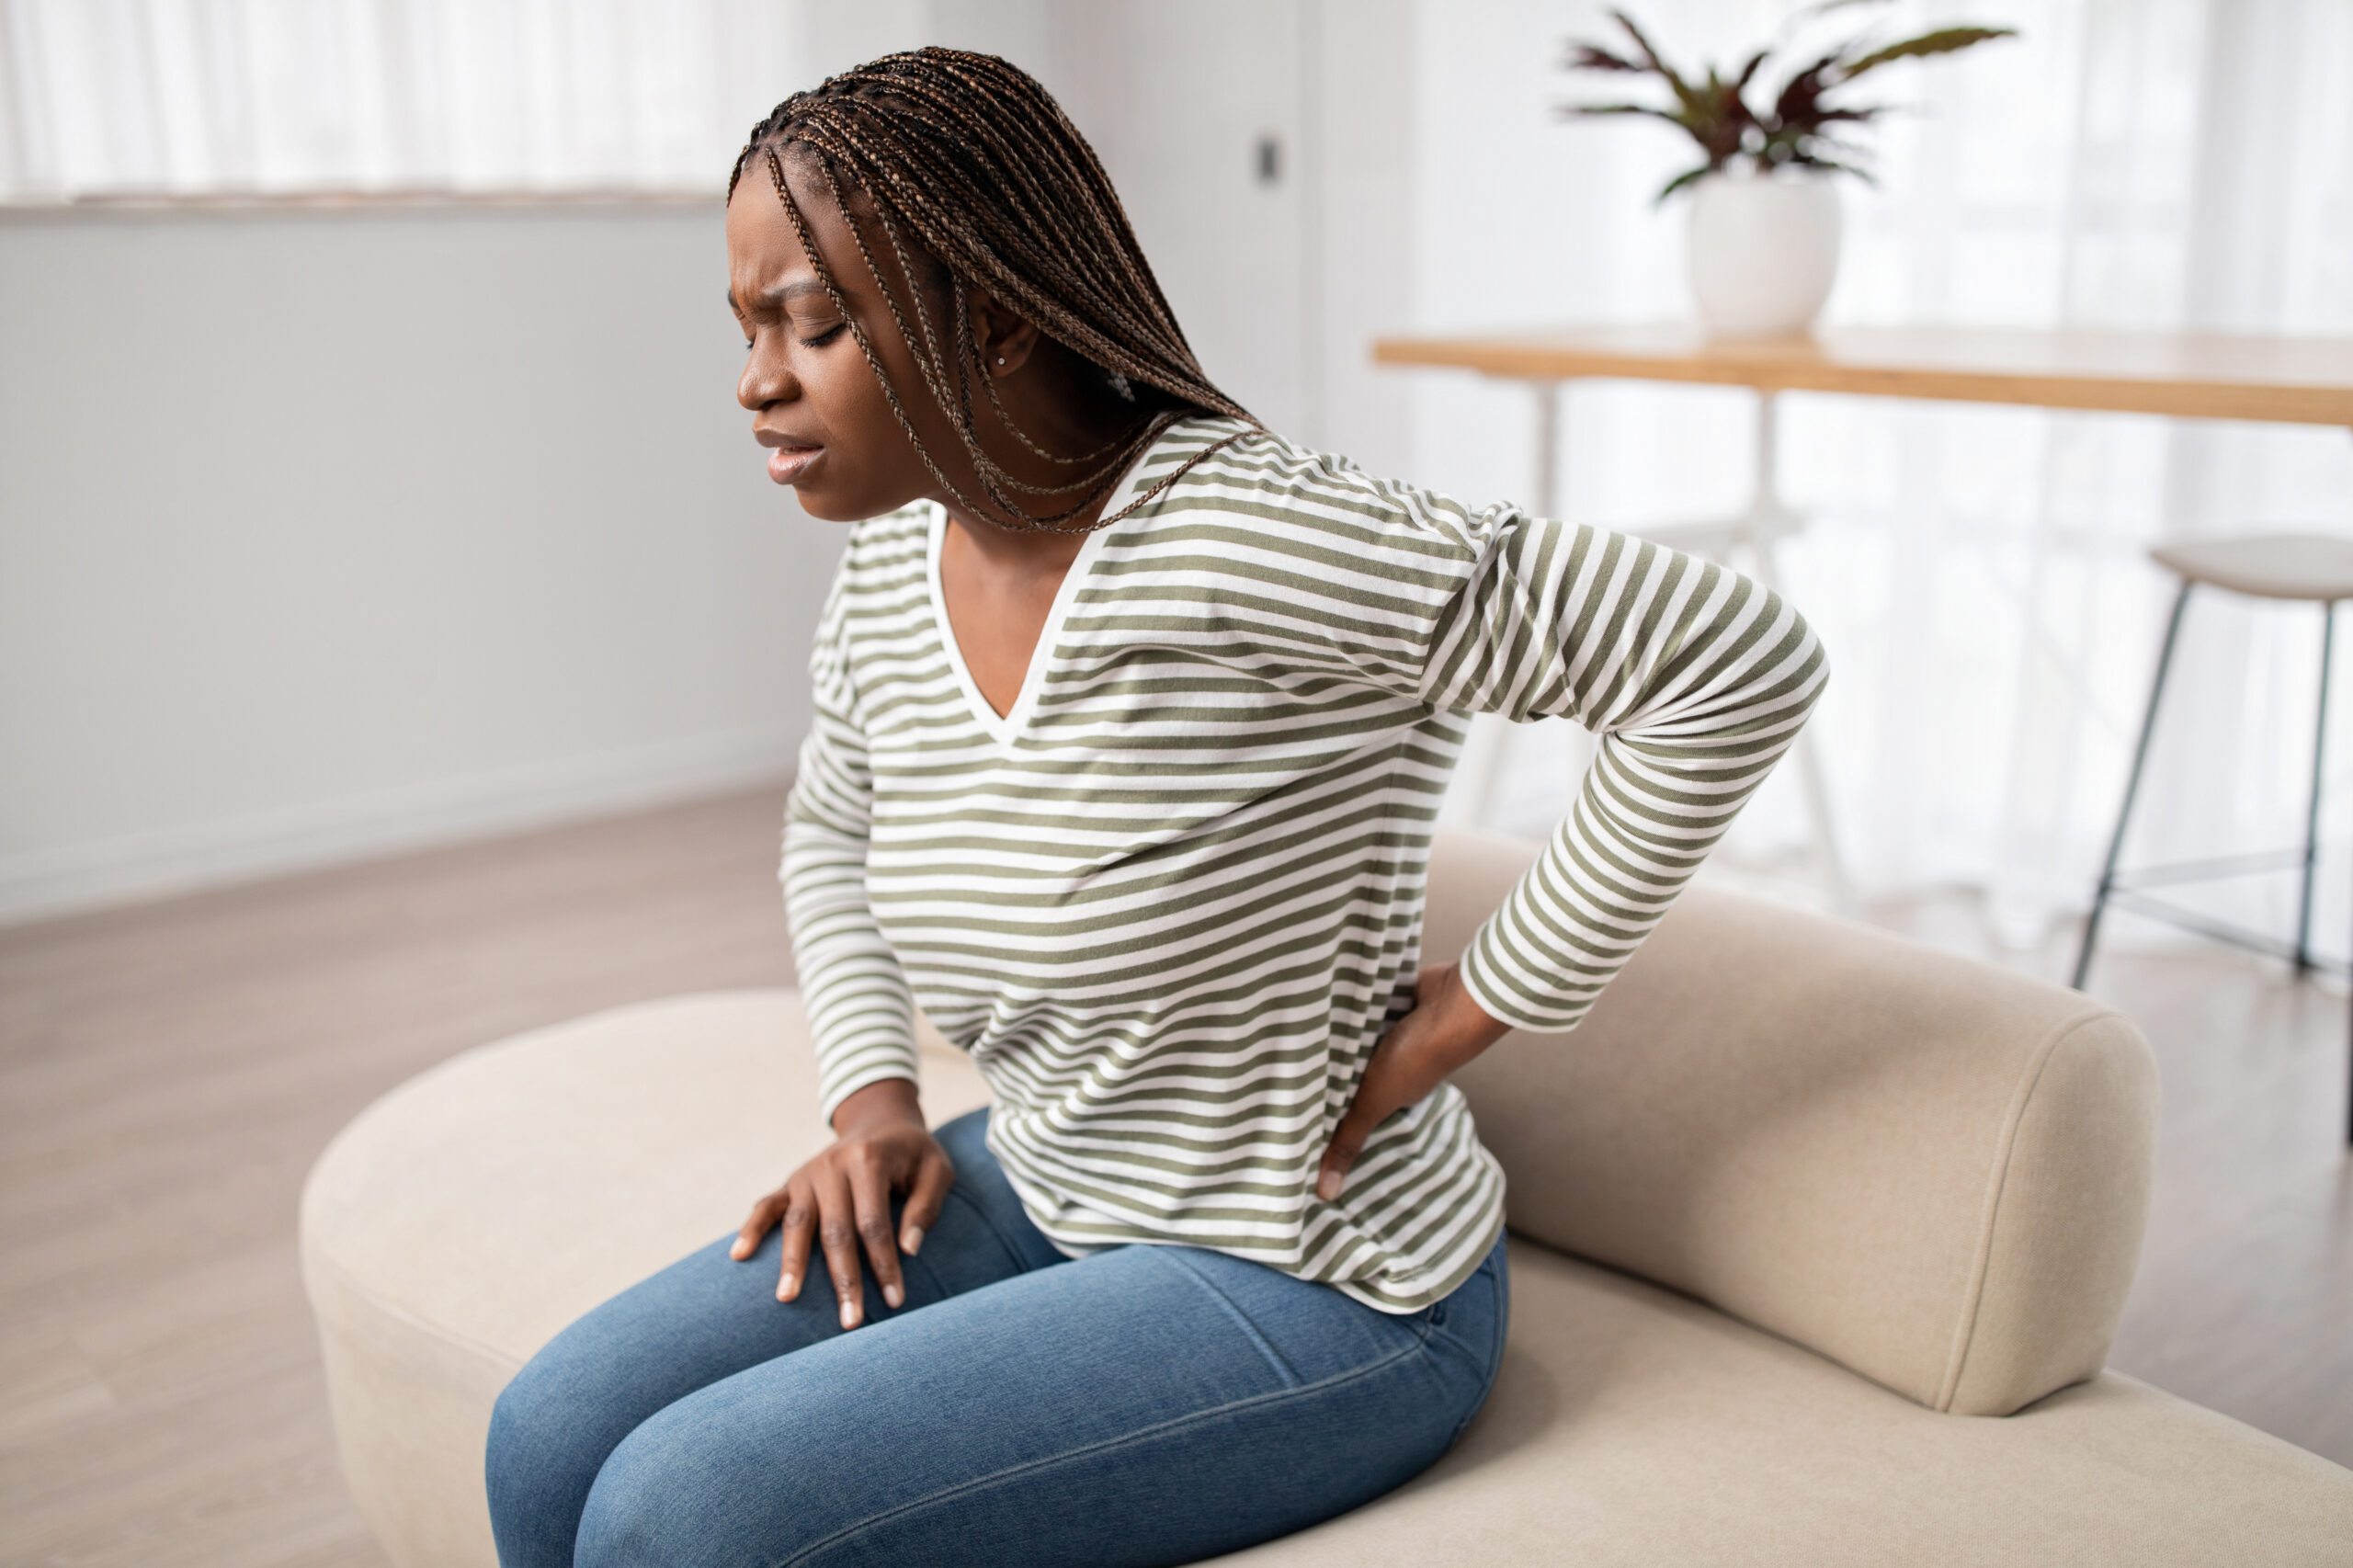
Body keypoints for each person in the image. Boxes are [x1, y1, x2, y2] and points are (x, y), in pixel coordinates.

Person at [485, 46, 1824, 1568]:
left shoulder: (1254, 535)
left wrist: (1476, 1007)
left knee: (691, 1511)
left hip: (1315, 1271)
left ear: (991, 318)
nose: (757, 381)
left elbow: (1733, 661)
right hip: (1047, 1176)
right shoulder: (887, 568)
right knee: (548, 1438)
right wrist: (873, 1102)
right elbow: (833, 828)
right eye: (747, 327)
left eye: (816, 323)